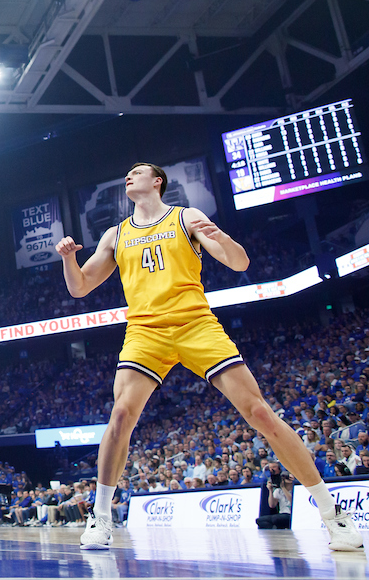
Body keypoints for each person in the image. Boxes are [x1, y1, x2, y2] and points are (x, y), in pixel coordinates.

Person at [56, 162, 362, 551]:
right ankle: (100, 518)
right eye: (127, 173)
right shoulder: (115, 235)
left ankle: (332, 516)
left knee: (260, 413)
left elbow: (239, 262)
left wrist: (223, 239)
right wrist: (68, 258)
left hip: (196, 324)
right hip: (146, 332)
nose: (129, 176)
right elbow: (80, 287)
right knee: (120, 416)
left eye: (137, 172)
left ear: (157, 181)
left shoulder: (187, 217)